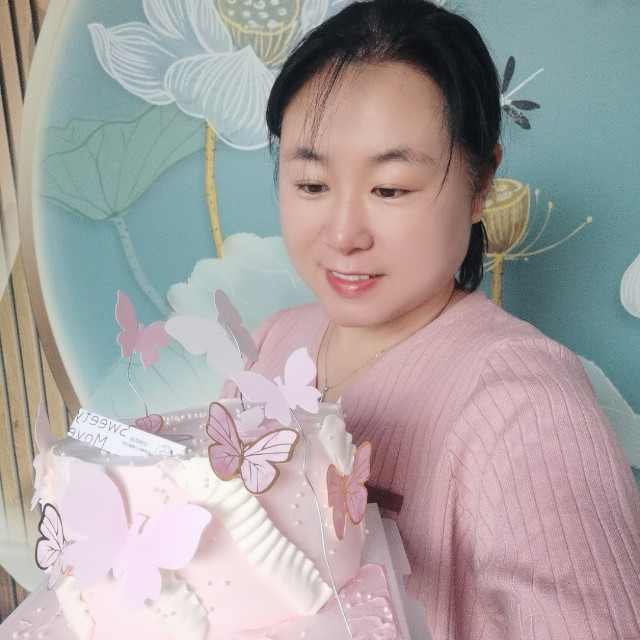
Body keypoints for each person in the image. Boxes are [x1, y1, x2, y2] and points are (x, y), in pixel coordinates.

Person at [223, 0, 640, 637]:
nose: (343, 234)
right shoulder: (273, 340)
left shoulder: (526, 406)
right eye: (311, 184)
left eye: (389, 189)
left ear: (479, 184)